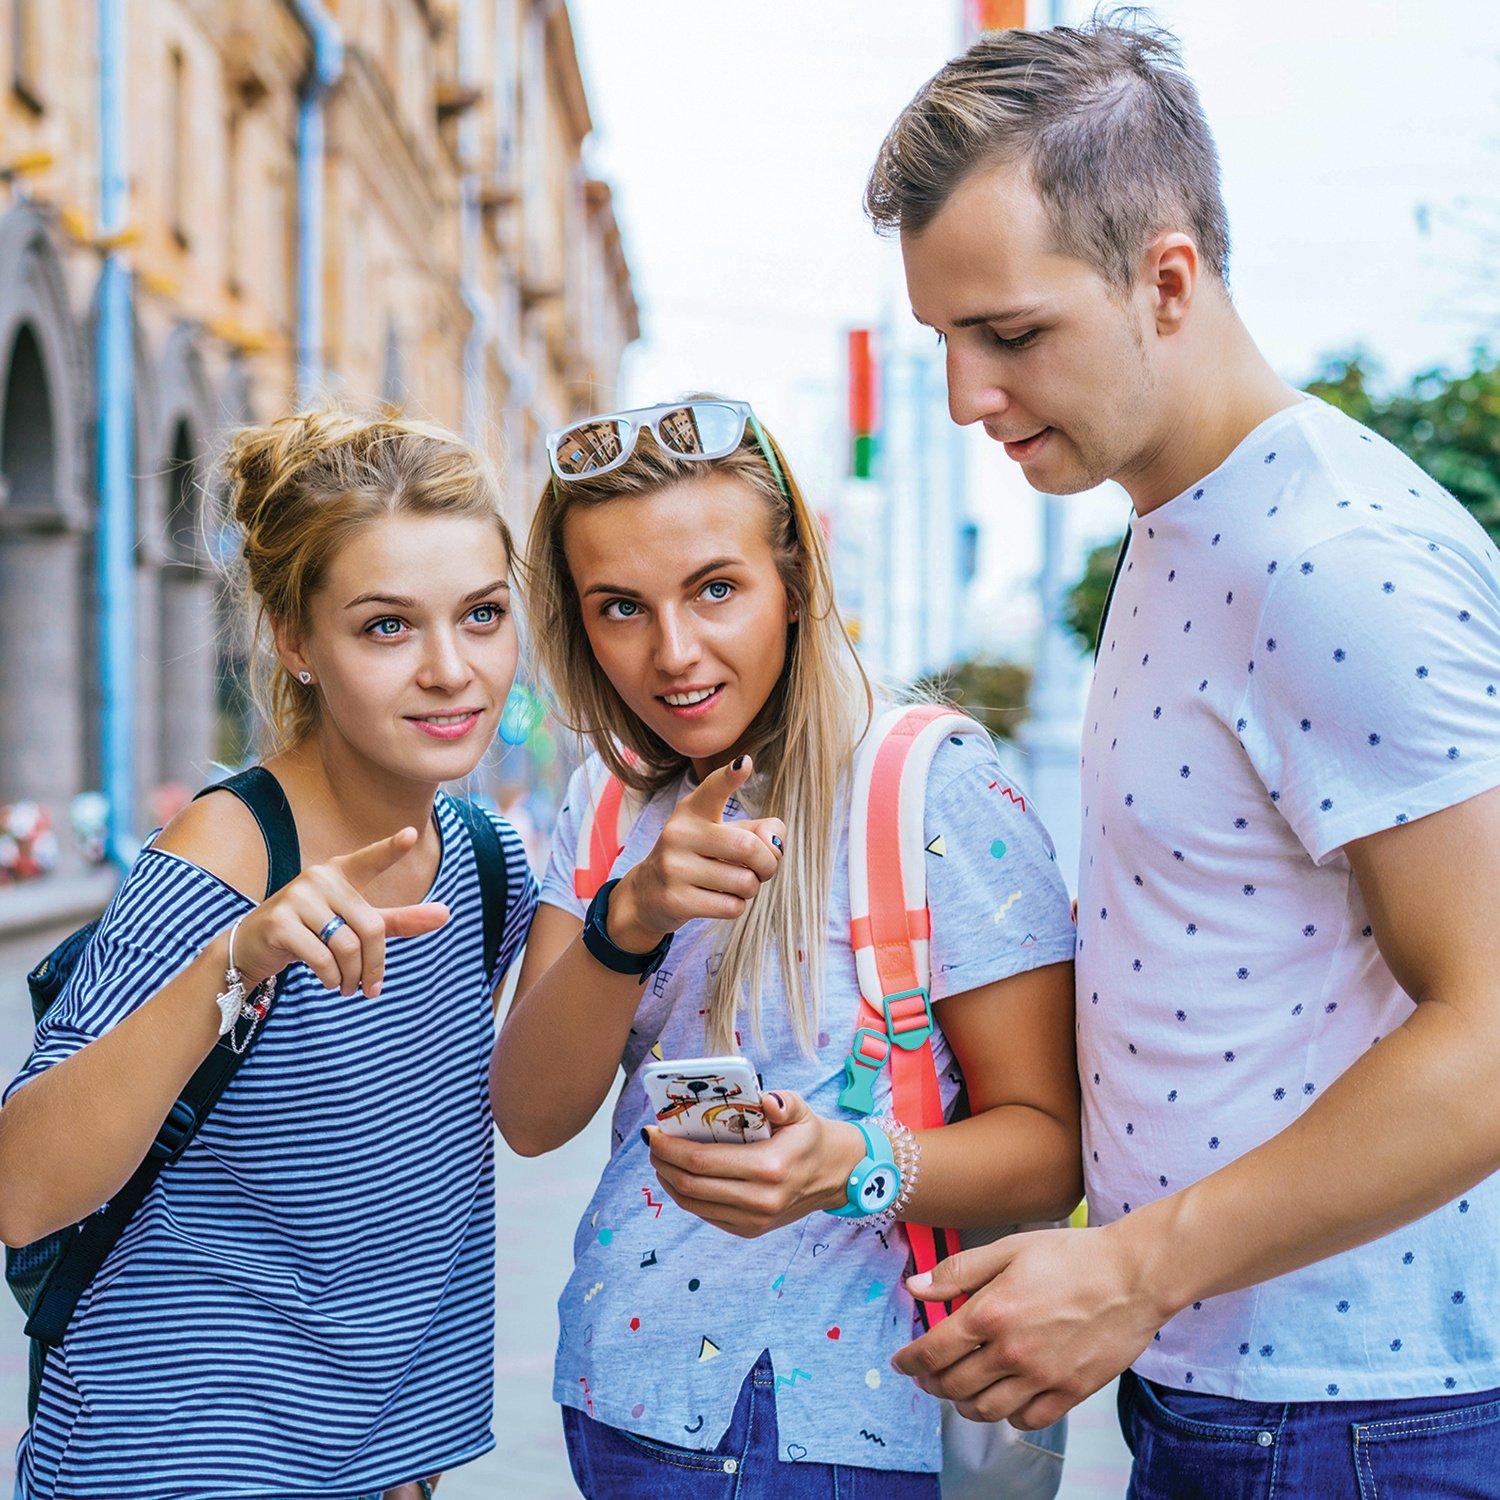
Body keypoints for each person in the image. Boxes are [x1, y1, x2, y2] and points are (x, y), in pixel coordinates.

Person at [867, 17, 1500, 1496]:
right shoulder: (1184, 521)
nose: (968, 395)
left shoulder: (1333, 556)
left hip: (1355, 1418)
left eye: (1011, 334)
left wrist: (1136, 1268)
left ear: (1168, 278)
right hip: (1235, 1391)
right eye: (945, 340)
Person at [490, 398, 1081, 1494]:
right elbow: (530, 1115)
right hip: (626, 1400)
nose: (674, 653)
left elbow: (1054, 1146)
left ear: (797, 584)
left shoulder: (934, 786)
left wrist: (849, 1166)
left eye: (716, 589)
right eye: (620, 607)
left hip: (862, 1420)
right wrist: (628, 926)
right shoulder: (607, 806)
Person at [0, 408, 538, 1499]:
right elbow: (24, 1189)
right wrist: (230, 963)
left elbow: (410, 1197)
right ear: (295, 641)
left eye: (482, 615)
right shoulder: (222, 855)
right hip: (169, 1458)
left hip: (373, 1463)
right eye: (387, 627)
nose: (452, 668)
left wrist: (401, 1457)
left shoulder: (484, 864)